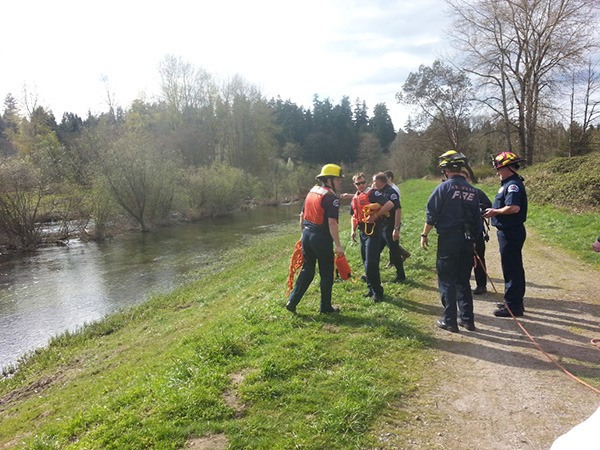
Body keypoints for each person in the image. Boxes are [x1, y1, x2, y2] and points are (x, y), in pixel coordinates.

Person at [420, 151, 482, 332]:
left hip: (449, 239)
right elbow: (477, 219)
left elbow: (432, 215)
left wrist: (424, 235)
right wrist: (475, 243)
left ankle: (450, 320)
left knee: (447, 280)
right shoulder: (472, 190)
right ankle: (467, 319)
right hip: (467, 239)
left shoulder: (443, 188)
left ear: (446, 170)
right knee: (463, 280)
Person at [286, 164, 345, 314]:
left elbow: (302, 216)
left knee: (307, 270)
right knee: (326, 273)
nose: (340, 182)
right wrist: (338, 246)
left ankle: (292, 302)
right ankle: (325, 308)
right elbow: (332, 223)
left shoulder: (312, 192)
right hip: (321, 239)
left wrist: (302, 235)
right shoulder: (331, 198)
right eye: (338, 179)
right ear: (329, 180)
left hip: (307, 235)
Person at [483, 151, 528, 318]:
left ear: (508, 168)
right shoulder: (509, 183)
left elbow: (514, 208)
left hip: (511, 232)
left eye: (499, 169)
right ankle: (512, 301)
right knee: (511, 267)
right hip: (508, 232)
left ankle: (513, 306)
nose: (497, 172)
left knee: (512, 269)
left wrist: (495, 211)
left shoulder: (512, 185)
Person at [352, 172, 395, 302]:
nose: (361, 185)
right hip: (362, 231)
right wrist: (352, 230)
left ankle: (378, 292)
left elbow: (390, 204)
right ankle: (371, 289)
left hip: (374, 231)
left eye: (363, 182)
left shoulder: (372, 193)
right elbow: (353, 215)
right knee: (365, 262)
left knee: (371, 263)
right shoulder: (356, 196)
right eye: (358, 183)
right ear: (354, 184)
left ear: (366, 182)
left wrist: (376, 216)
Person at [462, 169, 492, 294]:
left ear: (468, 179)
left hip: (476, 231)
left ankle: (481, 285)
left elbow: (488, 206)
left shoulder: (477, 192)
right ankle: (463, 286)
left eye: (464, 179)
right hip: (459, 232)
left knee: (479, 258)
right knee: (463, 260)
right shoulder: (452, 195)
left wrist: (479, 210)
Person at [379, 173, 407, 283]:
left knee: (394, 251)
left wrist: (396, 228)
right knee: (376, 251)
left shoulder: (391, 192)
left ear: (380, 181)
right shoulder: (380, 192)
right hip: (382, 227)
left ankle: (401, 276)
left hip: (390, 226)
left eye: (374, 182)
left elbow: (398, 210)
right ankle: (370, 274)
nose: (372, 184)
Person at [383, 170, 411, 262]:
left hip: (394, 218)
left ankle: (396, 259)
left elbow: (397, 207)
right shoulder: (385, 189)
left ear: (390, 178)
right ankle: (397, 257)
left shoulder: (394, 189)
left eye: (385, 178)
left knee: (392, 241)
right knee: (389, 240)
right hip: (387, 219)